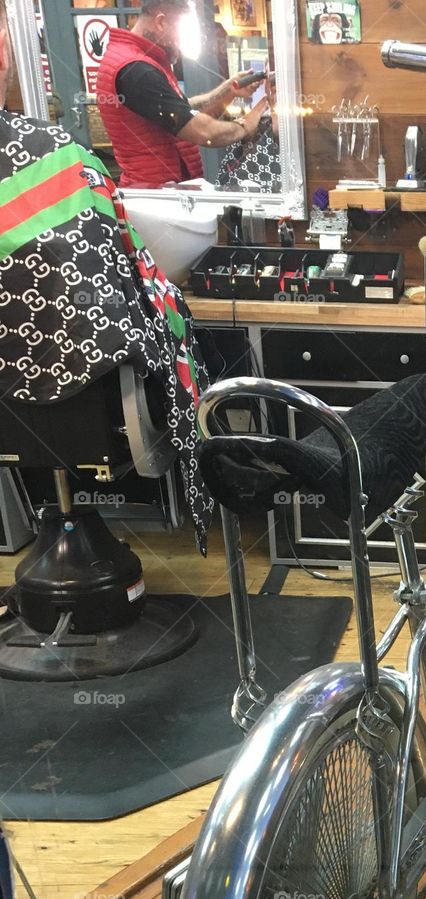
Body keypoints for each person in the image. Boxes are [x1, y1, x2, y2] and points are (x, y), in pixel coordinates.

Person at [0, 0, 214, 549]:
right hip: (77, 396)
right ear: (4, 52)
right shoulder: (57, 156)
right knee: (171, 326)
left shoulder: (123, 63)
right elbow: (133, 283)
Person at [97, 0, 267, 189]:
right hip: (156, 195)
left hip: (163, 190)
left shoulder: (140, 60)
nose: (180, 46)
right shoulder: (137, 71)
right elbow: (204, 132)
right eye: (181, 33)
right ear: (161, 22)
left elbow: (184, 111)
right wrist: (244, 126)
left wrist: (229, 91)